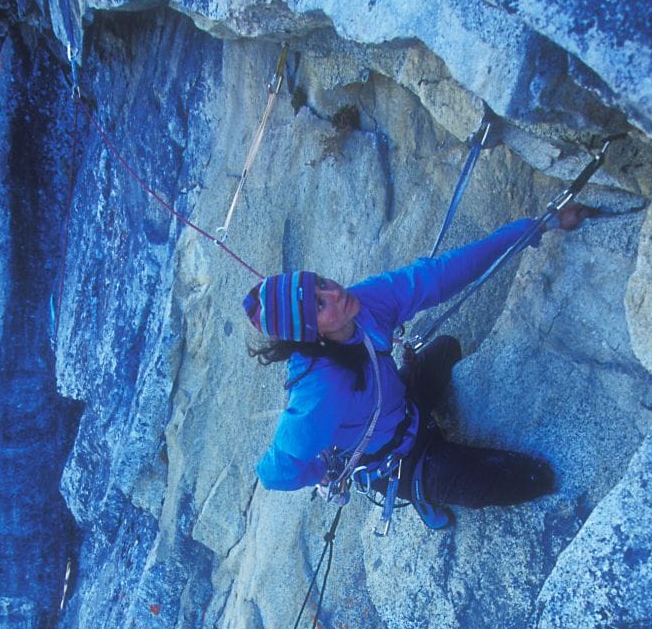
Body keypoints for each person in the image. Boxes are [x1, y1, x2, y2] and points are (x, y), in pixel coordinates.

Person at [243, 205, 589, 522]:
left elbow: (438, 276)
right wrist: (320, 473)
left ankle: (432, 470)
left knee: (445, 348)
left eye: (321, 282)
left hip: (405, 407)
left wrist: (536, 227)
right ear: (310, 333)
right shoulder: (321, 389)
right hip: (399, 464)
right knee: (533, 478)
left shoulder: (361, 305)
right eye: (319, 304)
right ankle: (423, 496)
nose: (335, 292)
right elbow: (274, 472)